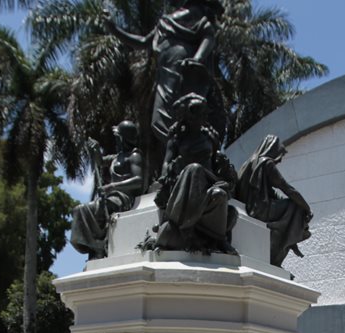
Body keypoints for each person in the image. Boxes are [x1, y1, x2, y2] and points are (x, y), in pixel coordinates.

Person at [105, 0, 224, 170]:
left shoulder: (195, 12)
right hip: (165, 73)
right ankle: (177, 162)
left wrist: (196, 59)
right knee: (160, 121)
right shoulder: (167, 19)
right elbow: (143, 42)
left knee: (186, 115)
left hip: (183, 70)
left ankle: (190, 159)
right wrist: (113, 29)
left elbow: (208, 36)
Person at [152, 93, 238, 254]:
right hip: (183, 183)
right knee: (194, 169)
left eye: (204, 113)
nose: (202, 117)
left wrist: (225, 167)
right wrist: (167, 172)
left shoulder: (210, 137)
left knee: (219, 192)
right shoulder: (177, 139)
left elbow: (217, 161)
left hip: (208, 181)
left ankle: (220, 240)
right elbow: (166, 163)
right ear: (187, 116)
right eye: (197, 113)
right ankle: (186, 227)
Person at [70, 121, 146, 259]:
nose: (116, 140)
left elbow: (138, 180)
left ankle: (97, 245)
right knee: (79, 210)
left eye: (118, 137)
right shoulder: (116, 157)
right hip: (111, 197)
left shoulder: (134, 156)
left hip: (124, 198)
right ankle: (94, 245)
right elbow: (100, 161)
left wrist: (112, 186)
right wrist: (96, 149)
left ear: (124, 138)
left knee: (88, 209)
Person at [235, 135, 312, 267]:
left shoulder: (248, 163)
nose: (280, 160)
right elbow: (287, 188)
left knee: (290, 210)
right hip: (260, 210)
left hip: (250, 207)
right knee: (296, 207)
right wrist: (306, 208)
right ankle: (288, 244)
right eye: (280, 154)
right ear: (272, 149)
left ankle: (292, 239)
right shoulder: (266, 163)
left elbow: (269, 191)